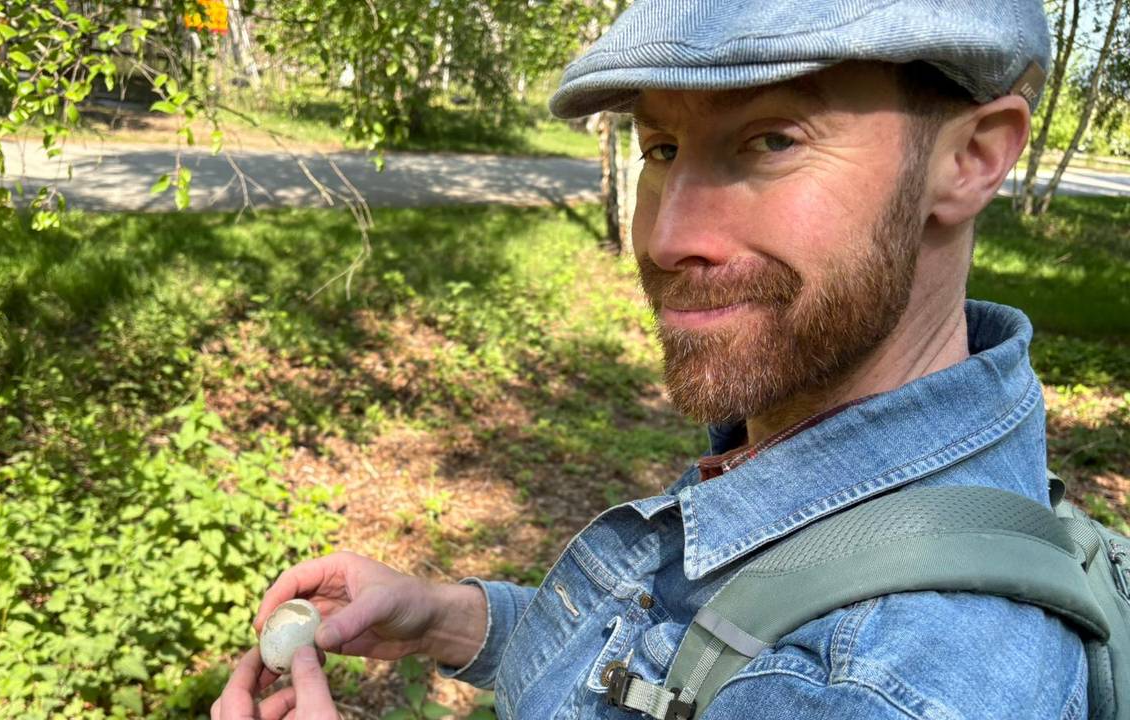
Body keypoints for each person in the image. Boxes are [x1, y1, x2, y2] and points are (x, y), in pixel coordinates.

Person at [215, 1, 1086, 717]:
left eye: (773, 140)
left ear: (972, 158)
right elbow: (675, 668)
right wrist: (449, 620)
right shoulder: (883, 460)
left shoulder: (870, 685)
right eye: (662, 148)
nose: (669, 238)